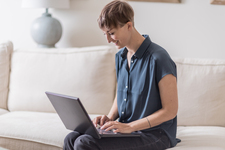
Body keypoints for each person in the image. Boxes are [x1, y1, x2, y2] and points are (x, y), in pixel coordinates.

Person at [63, 0, 180, 149]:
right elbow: (122, 94)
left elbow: (170, 111)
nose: (108, 39)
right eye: (105, 34)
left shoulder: (159, 58)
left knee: (84, 143)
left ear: (129, 25)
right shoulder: (120, 57)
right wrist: (109, 118)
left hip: (155, 134)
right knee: (71, 138)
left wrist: (130, 126)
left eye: (111, 33)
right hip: (127, 129)